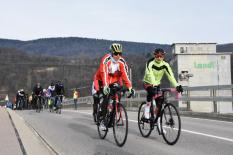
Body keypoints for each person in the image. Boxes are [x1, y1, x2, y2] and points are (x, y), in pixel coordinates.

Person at [92, 43, 135, 129]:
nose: (118, 56)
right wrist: (105, 86)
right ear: (111, 53)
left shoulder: (122, 62)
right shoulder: (106, 60)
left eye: (120, 54)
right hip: (100, 80)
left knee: (117, 96)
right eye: (116, 53)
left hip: (112, 82)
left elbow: (125, 76)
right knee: (105, 97)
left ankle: (111, 119)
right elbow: (104, 74)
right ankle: (102, 121)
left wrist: (130, 88)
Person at [143, 48, 183, 122]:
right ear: (154, 56)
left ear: (163, 56)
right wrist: (153, 84)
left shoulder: (165, 65)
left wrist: (177, 86)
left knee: (160, 101)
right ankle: (147, 110)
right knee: (151, 93)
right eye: (157, 56)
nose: (159, 58)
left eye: (161, 56)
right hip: (148, 82)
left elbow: (171, 76)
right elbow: (150, 74)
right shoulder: (150, 63)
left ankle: (157, 121)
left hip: (157, 84)